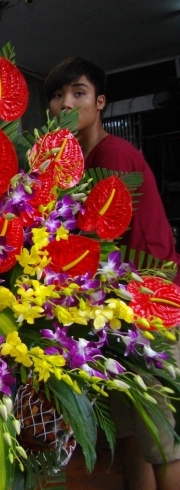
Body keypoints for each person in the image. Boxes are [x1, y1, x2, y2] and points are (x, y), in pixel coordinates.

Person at [45, 57, 180, 490]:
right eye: (57, 95)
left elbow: (145, 249)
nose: (66, 103)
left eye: (78, 93)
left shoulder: (116, 155)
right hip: (109, 315)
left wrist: (146, 317)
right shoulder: (69, 165)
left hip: (147, 312)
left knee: (162, 441)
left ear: (100, 102)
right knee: (130, 435)